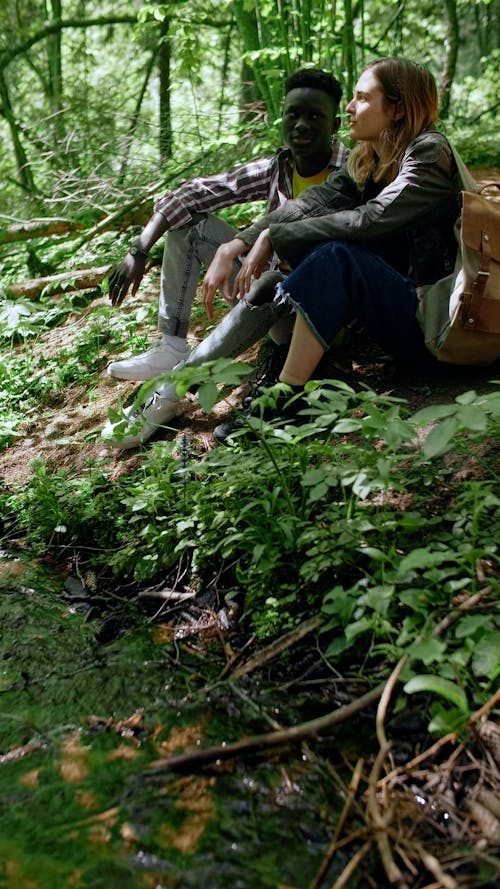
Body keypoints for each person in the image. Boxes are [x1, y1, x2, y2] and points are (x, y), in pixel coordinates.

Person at [103, 57, 467, 450]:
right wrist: (241, 241)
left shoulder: (430, 153)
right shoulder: (369, 161)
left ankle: (286, 396)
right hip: (398, 320)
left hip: (442, 327)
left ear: (397, 107)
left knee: (333, 254)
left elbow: (370, 220)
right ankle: (182, 387)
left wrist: (277, 238)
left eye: (361, 98)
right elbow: (308, 204)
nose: (349, 107)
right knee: (294, 271)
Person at [105, 67, 348, 382]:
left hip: (315, 318)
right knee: (191, 227)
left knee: (275, 277)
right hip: (263, 298)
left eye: (316, 117)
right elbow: (193, 193)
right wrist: (138, 250)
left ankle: (183, 381)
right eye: (293, 115)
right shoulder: (280, 167)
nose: (302, 125)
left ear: (335, 125)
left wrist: (250, 242)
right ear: (282, 117)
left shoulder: (351, 172)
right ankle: (172, 346)